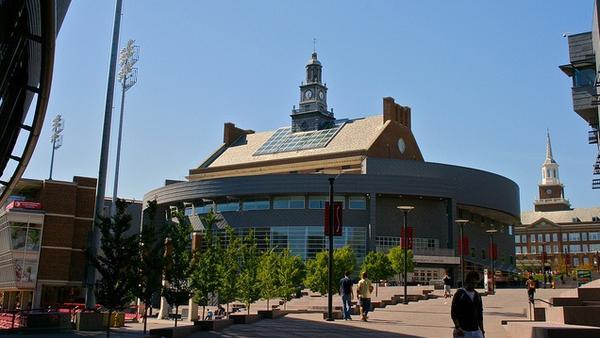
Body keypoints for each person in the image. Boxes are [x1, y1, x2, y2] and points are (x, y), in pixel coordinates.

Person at [451, 271, 485, 338]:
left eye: (476, 283)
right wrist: (458, 327)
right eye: (472, 283)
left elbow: (480, 315)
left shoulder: (477, 296)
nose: (474, 285)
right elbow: (454, 312)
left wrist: (482, 331)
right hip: (463, 331)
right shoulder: (460, 294)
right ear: (467, 282)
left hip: (476, 331)